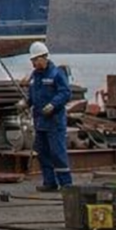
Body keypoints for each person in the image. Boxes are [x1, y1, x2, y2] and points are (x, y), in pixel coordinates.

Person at [26, 41, 73, 192]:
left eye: (35, 60)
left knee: (57, 153)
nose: (33, 64)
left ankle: (66, 184)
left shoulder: (56, 74)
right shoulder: (35, 76)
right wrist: (25, 103)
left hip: (54, 122)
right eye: (32, 61)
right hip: (40, 121)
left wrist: (53, 104)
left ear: (43, 58)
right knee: (43, 153)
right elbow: (33, 94)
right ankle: (49, 182)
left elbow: (65, 93)